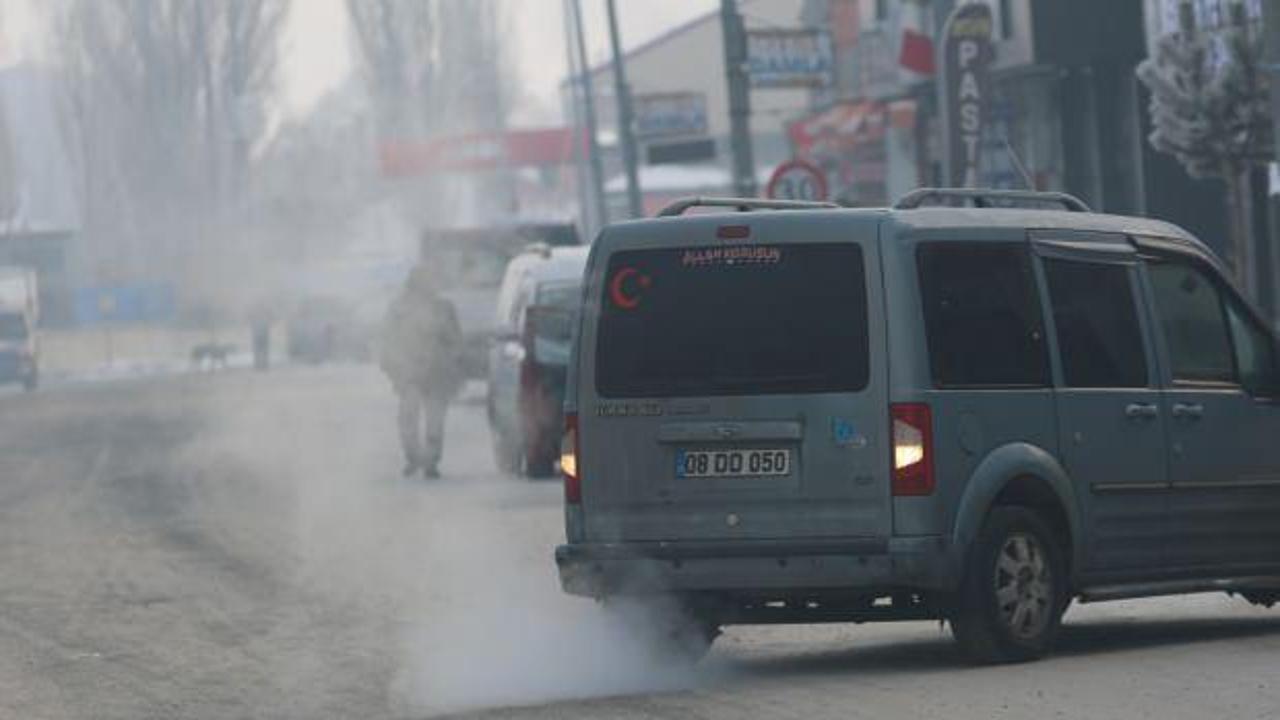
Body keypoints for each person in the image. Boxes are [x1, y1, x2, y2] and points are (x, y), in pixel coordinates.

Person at [379, 265, 464, 479]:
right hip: (409, 373)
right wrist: (393, 367)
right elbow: (387, 340)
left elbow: (456, 340)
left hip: (437, 372)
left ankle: (431, 461)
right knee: (408, 418)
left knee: (435, 421)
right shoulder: (398, 309)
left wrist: (453, 362)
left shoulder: (444, 309)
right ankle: (413, 457)